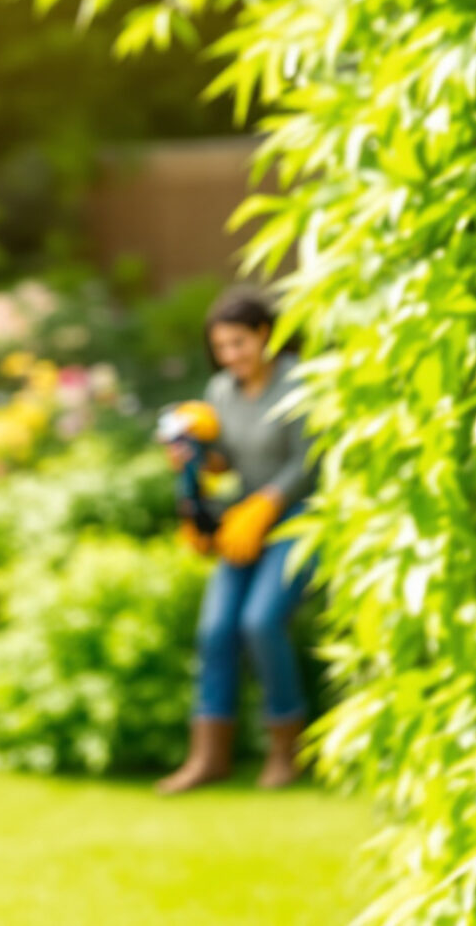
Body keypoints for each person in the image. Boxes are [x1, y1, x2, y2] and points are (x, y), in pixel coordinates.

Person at [156, 286, 316, 793]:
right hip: (243, 521)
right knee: (216, 630)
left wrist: (267, 505)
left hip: (296, 520)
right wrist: (194, 457)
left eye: (239, 344)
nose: (230, 357)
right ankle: (209, 756)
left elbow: (308, 463)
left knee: (261, 621)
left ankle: (286, 750)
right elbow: (226, 458)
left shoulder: (299, 383)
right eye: (221, 347)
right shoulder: (222, 389)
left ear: (265, 335)